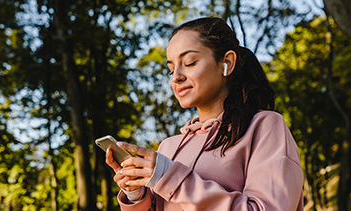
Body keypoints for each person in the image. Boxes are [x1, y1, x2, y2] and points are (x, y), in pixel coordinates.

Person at [106, 17, 304, 211]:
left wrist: (169, 177)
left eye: (190, 62)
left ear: (227, 62)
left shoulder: (264, 126)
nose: (176, 77)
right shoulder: (168, 147)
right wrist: (136, 195)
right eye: (171, 69)